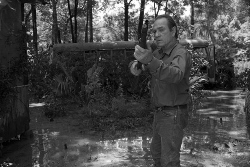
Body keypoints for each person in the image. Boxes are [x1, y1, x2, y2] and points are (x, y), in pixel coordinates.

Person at [130, 14, 192, 167]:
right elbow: (140, 62)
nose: (156, 35)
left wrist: (150, 61)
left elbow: (176, 74)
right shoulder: (158, 52)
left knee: (169, 160)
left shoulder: (180, 52)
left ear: (173, 31)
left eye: (161, 30)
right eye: (154, 31)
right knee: (157, 154)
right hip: (160, 113)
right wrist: (136, 65)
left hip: (174, 114)